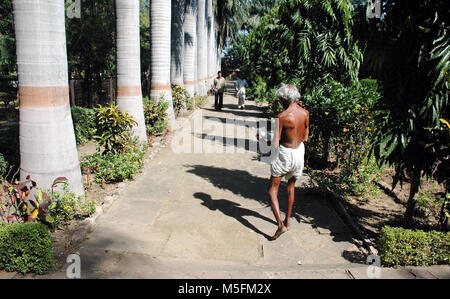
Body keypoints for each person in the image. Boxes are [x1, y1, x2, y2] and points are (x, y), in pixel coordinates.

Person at [267, 84, 309, 240]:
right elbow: (305, 137)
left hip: (285, 153)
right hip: (299, 152)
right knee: (291, 187)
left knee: (272, 190)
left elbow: (275, 143)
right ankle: (288, 221)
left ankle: (280, 225)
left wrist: (264, 140)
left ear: (285, 98)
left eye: (280, 99)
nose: (280, 102)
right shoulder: (305, 113)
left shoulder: (282, 116)